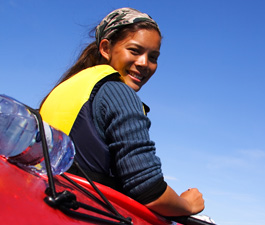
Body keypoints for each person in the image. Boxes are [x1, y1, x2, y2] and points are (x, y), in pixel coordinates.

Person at [40, 7, 205, 217]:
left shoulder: (67, 87)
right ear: (106, 48)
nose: (144, 63)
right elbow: (149, 190)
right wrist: (187, 204)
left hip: (47, 201)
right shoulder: (118, 93)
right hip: (81, 212)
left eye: (153, 57)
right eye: (135, 51)